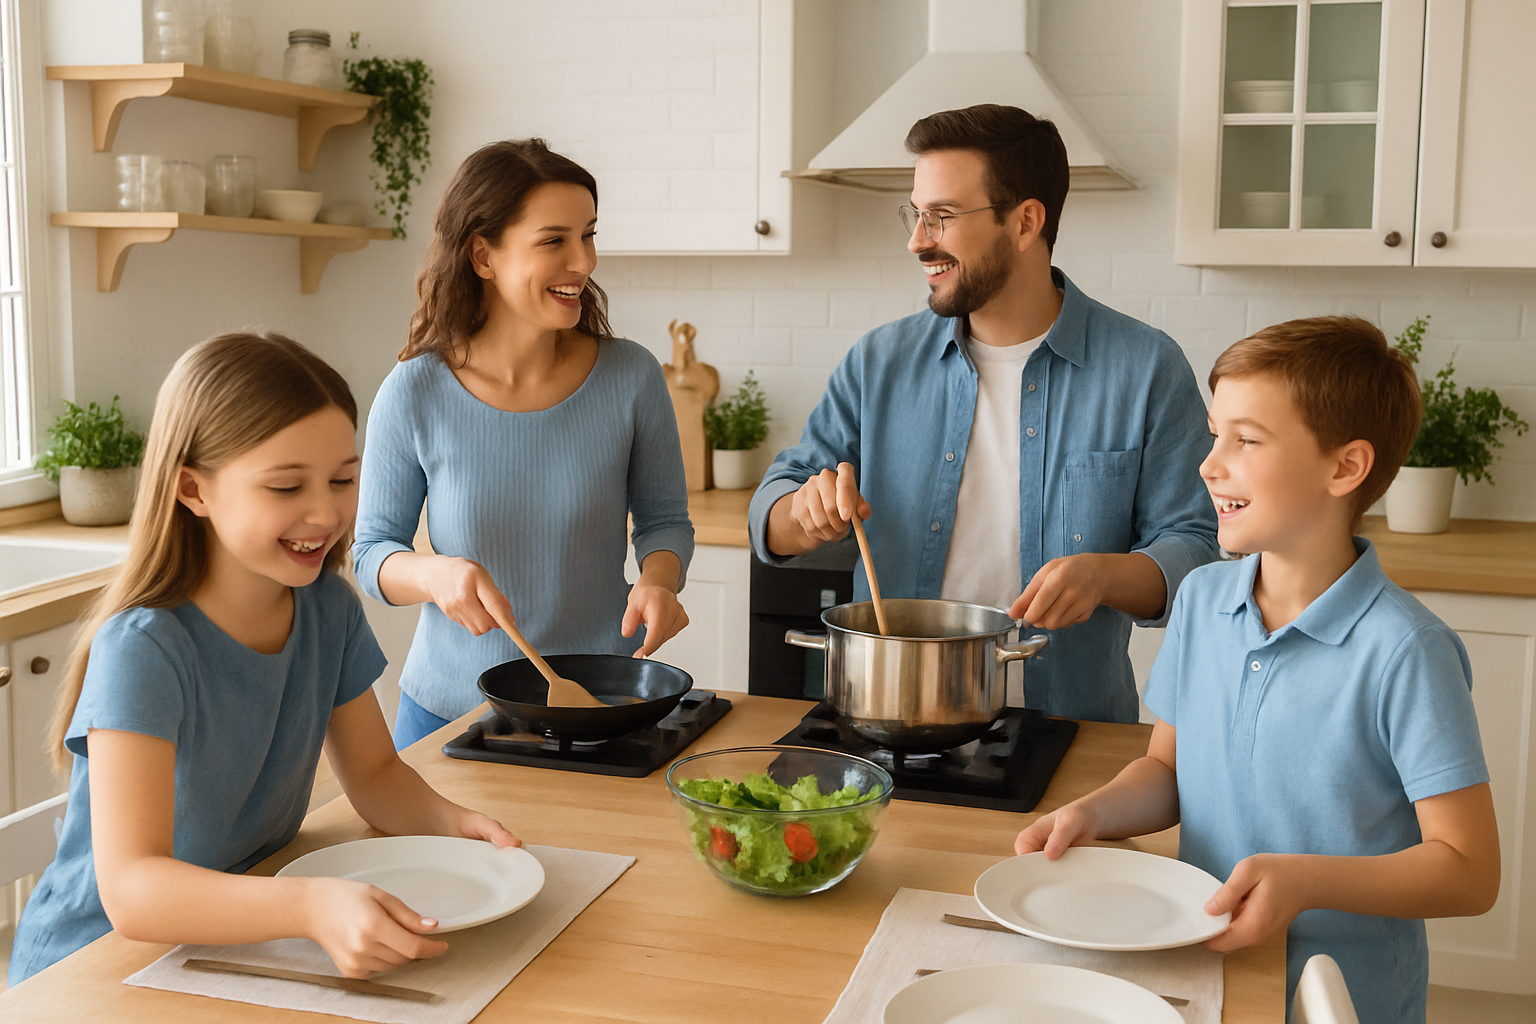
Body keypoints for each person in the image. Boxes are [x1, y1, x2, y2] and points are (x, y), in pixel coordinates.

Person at [1016, 317, 1500, 1024]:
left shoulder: (1407, 651)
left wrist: (1303, 881)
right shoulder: (1203, 600)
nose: (1211, 465)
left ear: (1345, 467)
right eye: (1215, 436)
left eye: (1246, 440)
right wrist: (1093, 813)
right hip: (1202, 971)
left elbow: (1469, 871)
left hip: (1338, 996)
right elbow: (1168, 771)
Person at [8, 334, 520, 987]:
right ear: (193, 489)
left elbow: (374, 774)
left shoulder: (327, 609)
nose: (326, 512)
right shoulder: (144, 649)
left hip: (236, 944)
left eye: (343, 479)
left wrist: (459, 828)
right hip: (94, 971)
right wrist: (308, 905)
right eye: (286, 486)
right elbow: (133, 890)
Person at [749, 104, 1218, 722]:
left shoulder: (1146, 368)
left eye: (942, 216)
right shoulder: (879, 362)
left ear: (1025, 222)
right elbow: (772, 508)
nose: (917, 241)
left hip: (1070, 732)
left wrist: (1107, 575)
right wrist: (803, 514)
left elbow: (1193, 552)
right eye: (916, 215)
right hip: (890, 720)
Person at [353, 139, 694, 748]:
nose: (584, 261)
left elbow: (665, 520)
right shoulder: (415, 391)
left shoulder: (632, 377)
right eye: (554, 240)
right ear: (483, 255)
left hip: (601, 707)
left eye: (588, 235)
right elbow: (373, 553)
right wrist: (436, 576)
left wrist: (659, 580)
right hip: (449, 716)